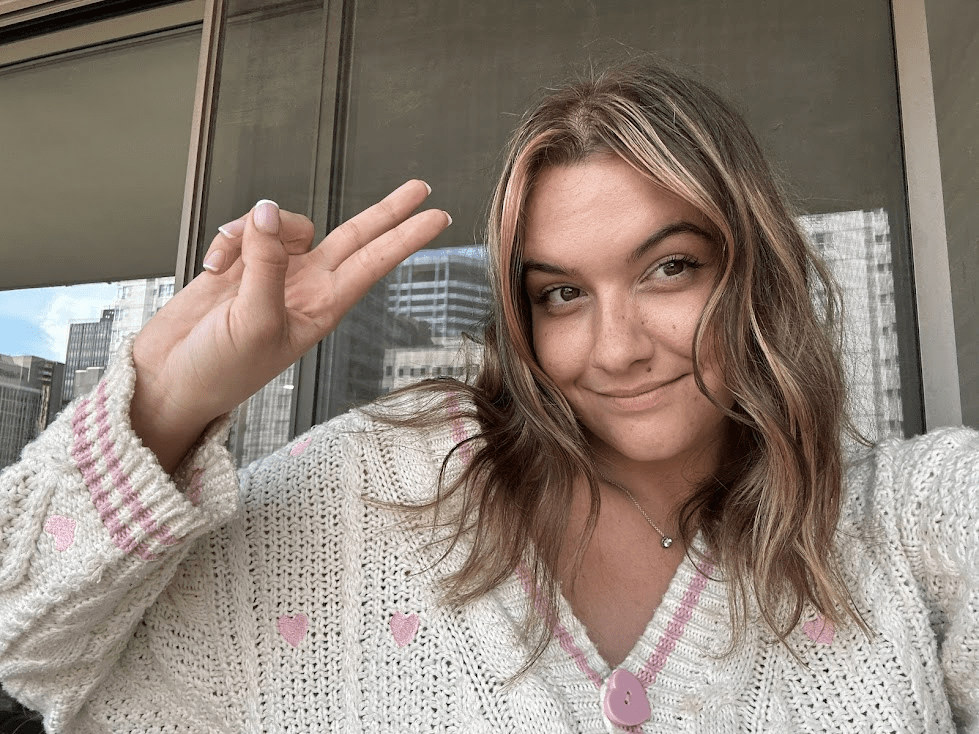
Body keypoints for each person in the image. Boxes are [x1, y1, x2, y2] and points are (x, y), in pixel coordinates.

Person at [0, 61, 977, 734]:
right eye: (561, 292)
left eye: (669, 268)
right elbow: (34, 650)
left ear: (753, 271)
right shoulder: (384, 478)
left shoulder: (901, 517)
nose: (616, 347)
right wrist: (167, 398)